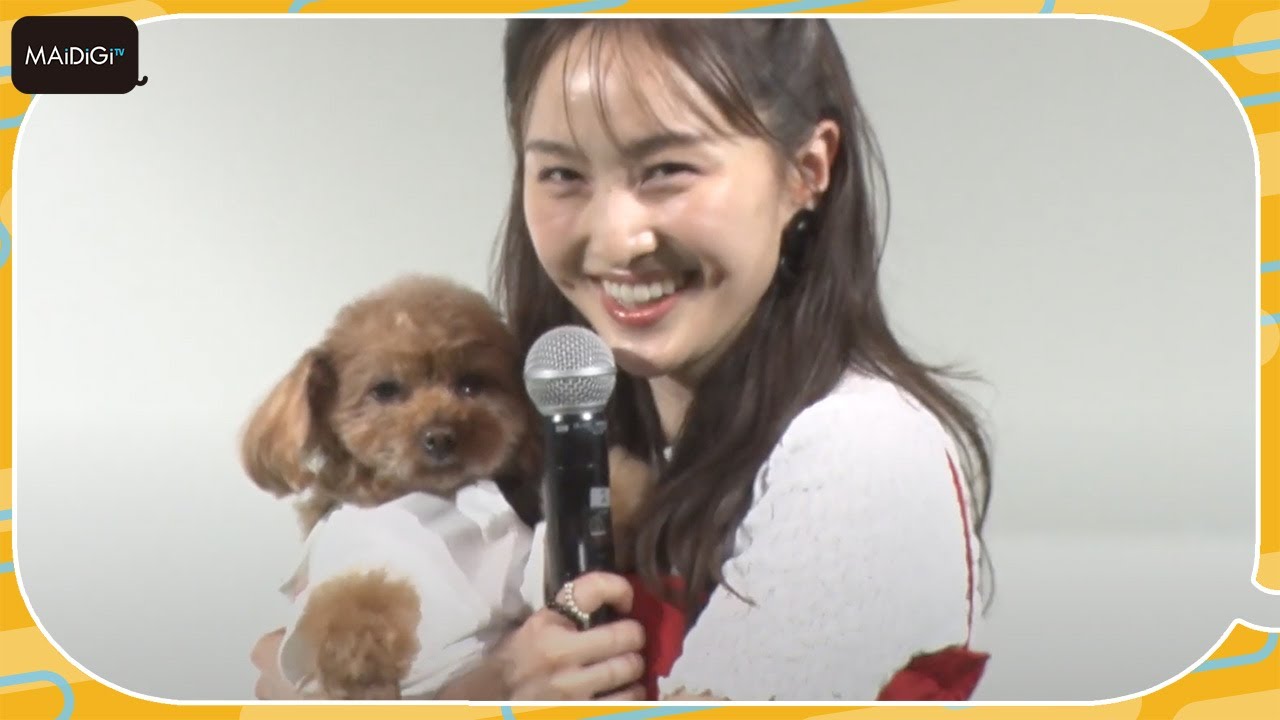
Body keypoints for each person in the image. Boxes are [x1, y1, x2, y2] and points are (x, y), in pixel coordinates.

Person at [252, 17, 994, 702]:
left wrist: (477, 695)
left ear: (806, 169)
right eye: (563, 174)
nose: (614, 239)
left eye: (666, 168)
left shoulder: (863, 451)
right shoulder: (589, 439)